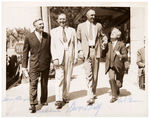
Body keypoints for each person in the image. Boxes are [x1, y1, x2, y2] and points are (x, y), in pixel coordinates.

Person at [77, 9, 108, 105]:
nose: (93, 17)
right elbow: (78, 40)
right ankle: (90, 94)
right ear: (87, 16)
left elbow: (103, 36)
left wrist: (105, 41)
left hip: (96, 51)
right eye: (91, 15)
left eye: (94, 15)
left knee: (95, 74)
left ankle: (93, 92)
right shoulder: (80, 26)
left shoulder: (98, 26)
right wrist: (80, 50)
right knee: (88, 74)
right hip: (86, 51)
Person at [22, 19, 51, 113]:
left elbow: (49, 50)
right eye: (40, 24)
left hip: (45, 63)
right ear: (35, 26)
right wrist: (24, 67)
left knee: (44, 83)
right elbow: (25, 52)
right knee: (33, 83)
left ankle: (43, 100)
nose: (42, 26)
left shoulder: (47, 36)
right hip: (34, 64)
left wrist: (51, 62)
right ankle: (33, 104)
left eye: (43, 24)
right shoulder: (29, 37)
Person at [50, 13, 78, 109]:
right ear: (57, 20)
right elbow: (52, 46)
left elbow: (75, 44)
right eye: (60, 19)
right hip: (59, 57)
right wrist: (55, 58)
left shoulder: (72, 31)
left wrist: (76, 57)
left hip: (69, 56)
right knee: (59, 78)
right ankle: (58, 99)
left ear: (66, 20)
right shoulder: (53, 31)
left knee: (67, 78)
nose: (62, 21)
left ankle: (65, 96)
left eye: (64, 19)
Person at [105, 27, 128, 103]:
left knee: (118, 83)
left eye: (114, 33)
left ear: (118, 36)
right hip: (110, 66)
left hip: (119, 66)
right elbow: (103, 54)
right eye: (112, 32)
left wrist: (120, 55)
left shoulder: (121, 44)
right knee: (111, 79)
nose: (112, 33)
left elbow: (125, 56)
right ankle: (114, 96)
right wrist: (102, 48)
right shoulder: (108, 44)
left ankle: (117, 87)